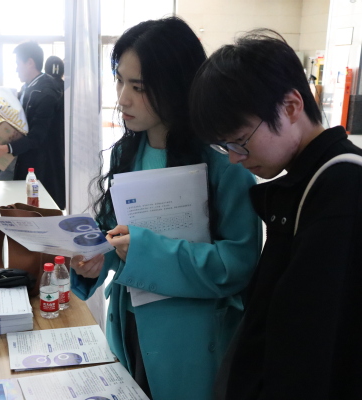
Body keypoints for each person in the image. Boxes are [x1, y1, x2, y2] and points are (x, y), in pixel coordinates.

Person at [70, 17, 262, 400]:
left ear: (176, 85)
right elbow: (113, 234)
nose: (122, 98)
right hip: (129, 327)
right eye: (119, 81)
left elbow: (237, 265)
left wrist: (143, 250)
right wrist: (95, 259)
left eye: (138, 87)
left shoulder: (225, 165)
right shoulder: (127, 152)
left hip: (191, 342)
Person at [190, 30, 362, 400]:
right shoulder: (306, 182)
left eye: (240, 140)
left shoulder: (342, 187)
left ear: (291, 106)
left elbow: (311, 345)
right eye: (225, 146)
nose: (234, 157)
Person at [0, 41, 65, 209]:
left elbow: (37, 137)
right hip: (23, 161)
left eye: (17, 64)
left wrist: (6, 148)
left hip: (40, 167)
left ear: (30, 63)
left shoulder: (45, 93)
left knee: (35, 212)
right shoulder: (28, 88)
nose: (16, 69)